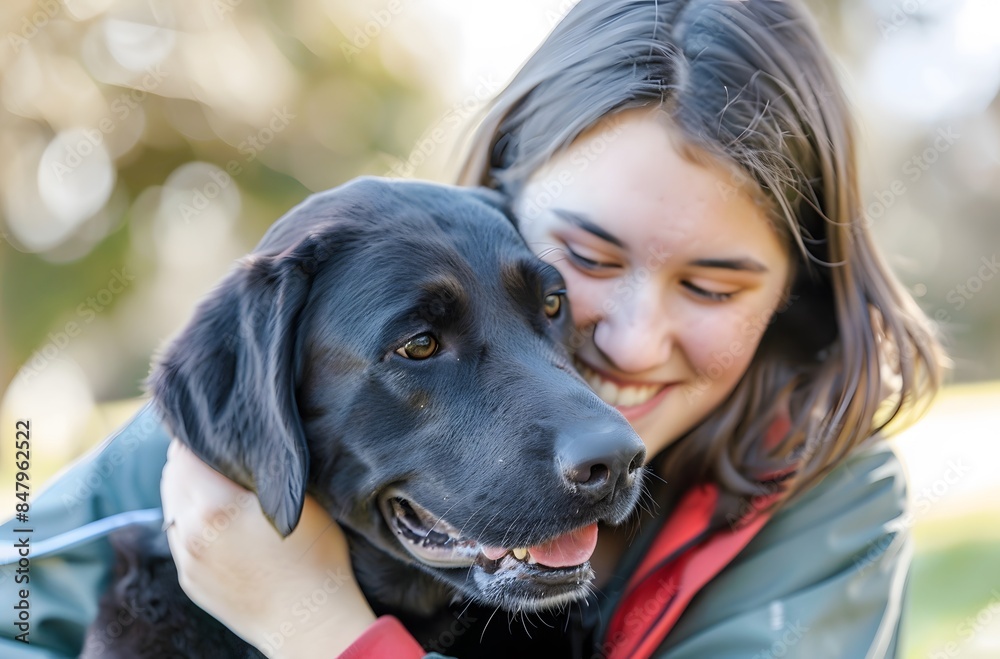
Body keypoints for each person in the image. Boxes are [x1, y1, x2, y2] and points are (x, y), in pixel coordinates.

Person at [0, 0, 944, 657]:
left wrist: (312, 626)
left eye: (709, 285)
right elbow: (17, 595)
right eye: (589, 260)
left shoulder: (827, 502)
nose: (630, 343)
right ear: (504, 194)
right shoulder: (233, 406)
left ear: (792, 292)